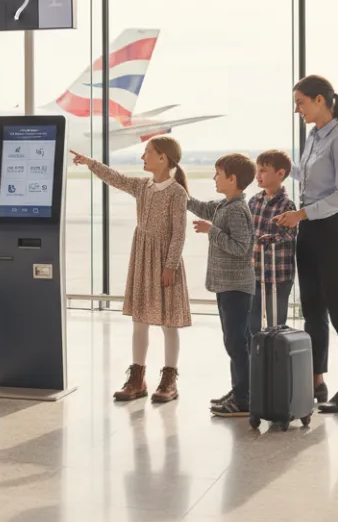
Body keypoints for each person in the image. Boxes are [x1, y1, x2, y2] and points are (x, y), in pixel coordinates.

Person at [71, 136, 191, 403]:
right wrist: (91, 163)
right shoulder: (142, 186)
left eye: (147, 152)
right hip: (142, 258)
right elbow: (116, 178)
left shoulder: (177, 193)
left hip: (164, 262)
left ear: (163, 158)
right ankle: (137, 379)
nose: (142, 157)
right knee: (140, 322)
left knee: (169, 323)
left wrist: (170, 265)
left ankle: (169, 380)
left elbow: (179, 234)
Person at [273, 75, 338, 414]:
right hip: (308, 230)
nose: (298, 109)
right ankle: (316, 381)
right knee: (312, 310)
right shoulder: (313, 136)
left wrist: (303, 214)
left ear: (321, 101)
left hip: (331, 232)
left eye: (301, 102)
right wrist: (286, 169)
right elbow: (310, 179)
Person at [186, 153, 256, 418]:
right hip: (227, 286)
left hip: (236, 287)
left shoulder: (237, 210)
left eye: (217, 174)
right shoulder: (225, 205)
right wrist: (183, 195)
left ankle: (243, 398)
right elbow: (203, 208)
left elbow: (241, 248)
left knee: (236, 342)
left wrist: (210, 231)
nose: (214, 178)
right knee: (237, 341)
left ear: (232, 178)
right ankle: (241, 390)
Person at [248, 150, 297, 336]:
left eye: (263, 171)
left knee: (275, 325)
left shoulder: (286, 205)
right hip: (255, 274)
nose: (258, 175)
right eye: (257, 170)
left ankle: (276, 362)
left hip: (278, 276)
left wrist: (267, 240)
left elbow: (289, 234)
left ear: (280, 174)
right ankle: (256, 362)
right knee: (252, 324)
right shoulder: (254, 201)